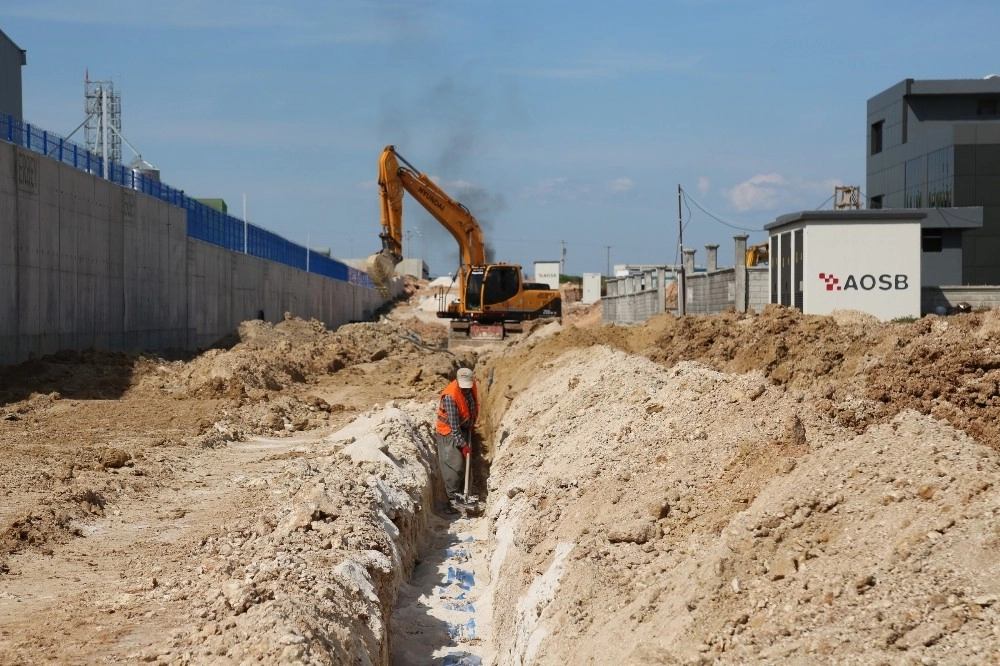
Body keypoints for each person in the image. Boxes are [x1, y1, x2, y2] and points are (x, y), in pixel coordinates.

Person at [435, 367, 479, 504]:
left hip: (464, 427)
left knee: (467, 464)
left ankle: (465, 494)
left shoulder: (471, 387)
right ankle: (452, 500)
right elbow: (454, 427)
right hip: (448, 431)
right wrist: (463, 445)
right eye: (463, 387)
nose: (466, 389)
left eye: (468, 386)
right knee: (455, 466)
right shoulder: (450, 397)